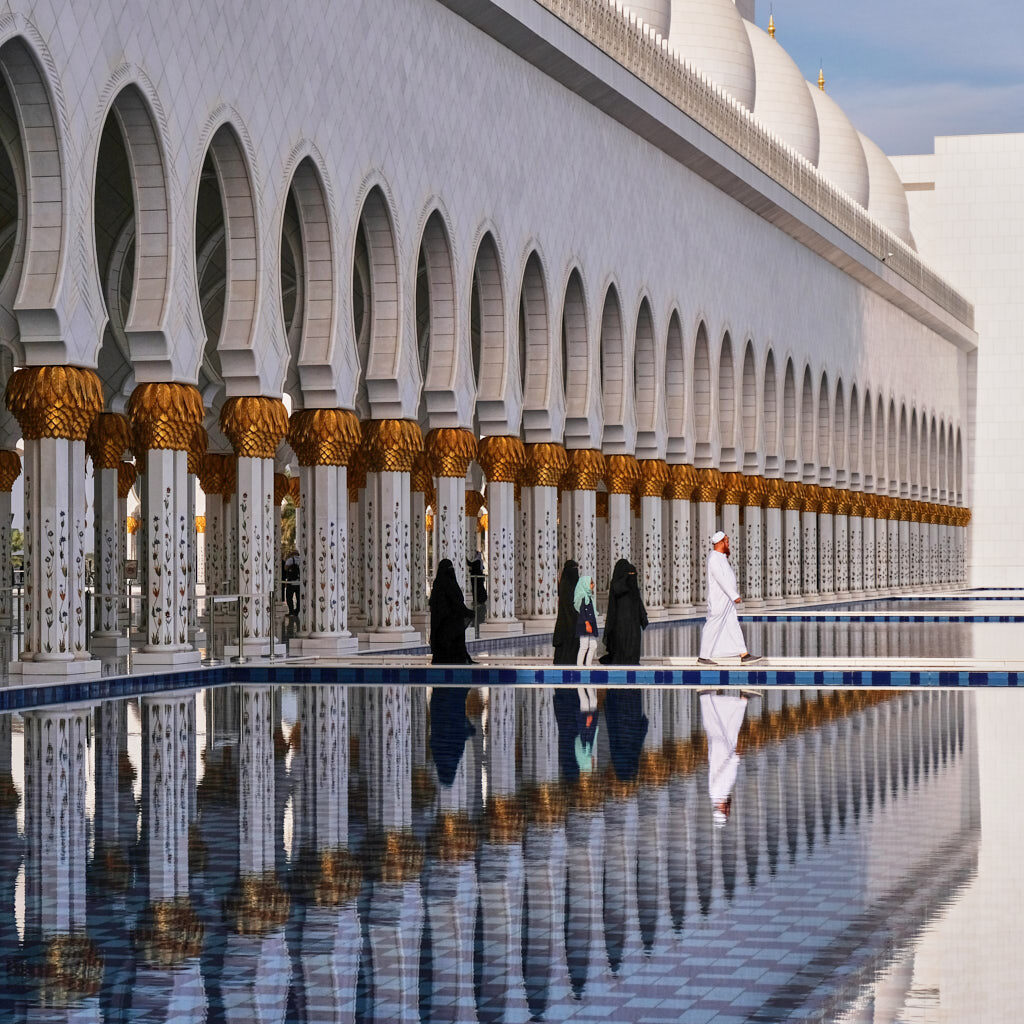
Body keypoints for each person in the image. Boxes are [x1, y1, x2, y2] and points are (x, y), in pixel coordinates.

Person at [698, 531, 761, 665]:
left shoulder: (721, 557)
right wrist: (734, 595)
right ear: (720, 543)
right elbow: (721, 579)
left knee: (733, 625)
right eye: (726, 541)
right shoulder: (714, 558)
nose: (728, 544)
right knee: (712, 626)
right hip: (719, 600)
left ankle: (744, 654)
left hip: (726, 600)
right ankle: (703, 657)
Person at [699, 690, 750, 827]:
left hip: (723, 753)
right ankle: (742, 699)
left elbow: (725, 775)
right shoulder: (718, 794)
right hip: (721, 753)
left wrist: (735, 759)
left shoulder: (717, 793)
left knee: (721, 725)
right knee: (728, 726)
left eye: (727, 811)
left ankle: (707, 697)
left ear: (722, 810)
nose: (729, 809)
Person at [429, 558, 475, 664]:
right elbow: (456, 603)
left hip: (441, 627)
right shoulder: (450, 585)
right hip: (450, 627)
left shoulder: (437, 585)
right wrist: (468, 612)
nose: (451, 571)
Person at [602, 559, 648, 664]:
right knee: (622, 646)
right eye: (629, 573)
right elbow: (613, 607)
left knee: (633, 645)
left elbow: (638, 604)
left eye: (633, 574)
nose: (632, 576)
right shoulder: (617, 586)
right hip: (621, 625)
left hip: (633, 624)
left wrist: (642, 617)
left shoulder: (631, 587)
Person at [552, 559, 581, 665]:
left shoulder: (566, 584)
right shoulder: (568, 586)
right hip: (569, 622)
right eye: (574, 570)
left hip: (567, 622)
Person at [574, 574, 599, 666]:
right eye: (591, 583)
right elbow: (582, 611)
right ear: (585, 584)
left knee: (593, 645)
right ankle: (579, 666)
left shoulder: (588, 597)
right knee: (584, 646)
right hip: (585, 625)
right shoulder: (583, 597)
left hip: (589, 624)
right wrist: (587, 623)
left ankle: (588, 665)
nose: (593, 585)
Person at [466, 549, 487, 627]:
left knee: (478, 589)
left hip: (477, 579)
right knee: (476, 589)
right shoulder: (477, 561)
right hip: (476, 579)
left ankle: (479, 599)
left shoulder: (478, 561)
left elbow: (471, 564)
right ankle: (477, 599)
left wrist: (465, 558)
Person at [282, 549, 300, 616]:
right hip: (299, 582)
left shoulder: (290, 560)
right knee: (299, 598)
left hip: (291, 582)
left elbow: (285, 568)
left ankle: (291, 611)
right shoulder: (301, 559)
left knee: (289, 597)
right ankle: (297, 611)